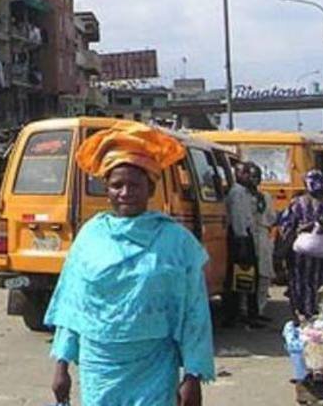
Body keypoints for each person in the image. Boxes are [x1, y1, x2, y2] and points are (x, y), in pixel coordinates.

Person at [46, 122, 214, 406]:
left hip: (155, 365)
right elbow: (72, 305)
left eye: (134, 185)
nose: (125, 192)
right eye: (116, 185)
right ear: (106, 190)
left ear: (150, 189)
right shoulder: (90, 237)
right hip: (99, 365)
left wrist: (193, 375)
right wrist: (61, 366)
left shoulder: (176, 241)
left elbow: (195, 312)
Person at [278, 169, 323, 319]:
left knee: (299, 283)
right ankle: (316, 314)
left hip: (300, 253)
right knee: (320, 283)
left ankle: (301, 315)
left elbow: (287, 228)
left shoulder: (297, 203)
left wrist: (283, 250)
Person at [223, 162, 261, 328]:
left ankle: (250, 313)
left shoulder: (246, 193)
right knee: (240, 276)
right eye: (244, 173)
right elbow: (238, 220)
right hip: (240, 239)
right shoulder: (237, 192)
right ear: (238, 175)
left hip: (247, 236)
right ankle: (237, 314)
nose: (248, 176)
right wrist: (243, 243)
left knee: (250, 276)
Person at [248, 162, 276, 321]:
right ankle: (246, 310)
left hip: (263, 236)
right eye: (251, 176)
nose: (254, 180)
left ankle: (260, 309)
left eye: (257, 177)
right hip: (249, 237)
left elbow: (271, 217)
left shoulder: (266, 197)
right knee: (248, 275)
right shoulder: (240, 195)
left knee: (264, 275)